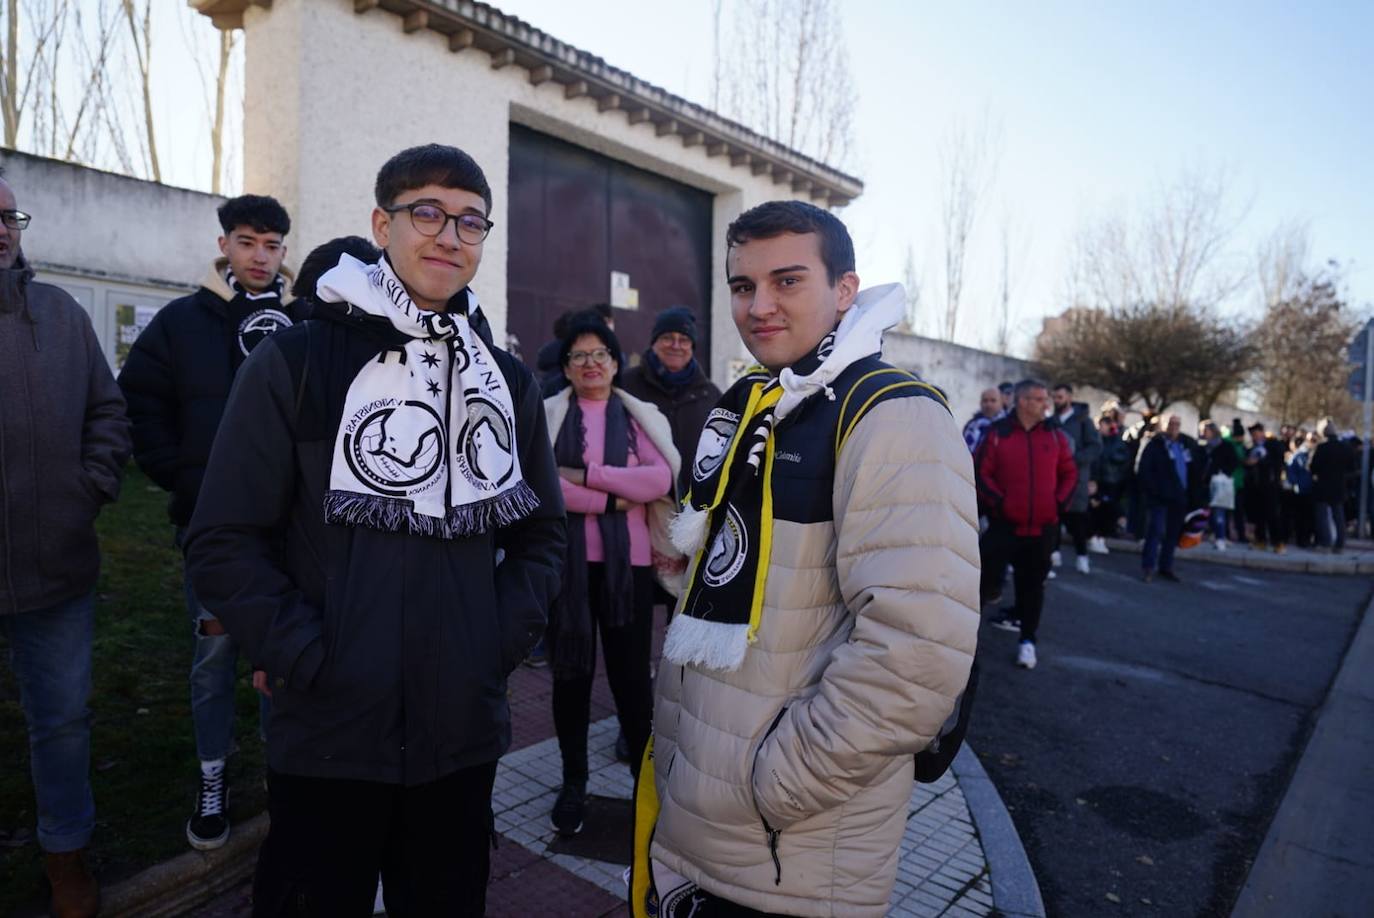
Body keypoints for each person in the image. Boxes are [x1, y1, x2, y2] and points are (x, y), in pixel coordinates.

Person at [184, 144, 566, 915]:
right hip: (329, 731)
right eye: (426, 212)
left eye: (470, 221)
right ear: (380, 224)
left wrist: (489, 645)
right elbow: (223, 537)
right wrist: (306, 654)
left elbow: (541, 538)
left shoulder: (507, 380)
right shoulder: (295, 363)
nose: (449, 235)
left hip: (459, 733)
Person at [635, 201, 978, 917]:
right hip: (701, 827)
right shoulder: (757, 403)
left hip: (787, 856)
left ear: (845, 290)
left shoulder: (895, 416)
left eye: (787, 281)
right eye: (741, 286)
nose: (759, 305)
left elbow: (916, 658)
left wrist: (770, 789)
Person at [118, 194, 300, 851]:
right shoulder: (180, 323)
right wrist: (186, 477)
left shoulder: (300, 321)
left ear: (285, 251)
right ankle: (213, 777)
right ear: (224, 244)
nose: (260, 256)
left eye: (272, 244)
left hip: (290, 533)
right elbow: (140, 401)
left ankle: (288, 775)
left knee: (282, 652)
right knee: (215, 653)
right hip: (210, 529)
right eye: (247, 241)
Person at [0, 169, 130, 917]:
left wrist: (89, 489)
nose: (2, 228)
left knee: (61, 722)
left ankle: (66, 855)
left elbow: (107, 413)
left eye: (10, 216)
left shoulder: (60, 314)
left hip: (57, 568)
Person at [543, 317, 678, 837]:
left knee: (630, 683)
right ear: (566, 369)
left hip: (631, 571)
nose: (591, 363)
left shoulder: (639, 415)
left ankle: (649, 785)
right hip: (568, 571)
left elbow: (660, 478)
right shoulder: (550, 416)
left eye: (601, 354)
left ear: (617, 363)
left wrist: (591, 476)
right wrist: (618, 499)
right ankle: (573, 782)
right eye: (579, 356)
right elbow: (548, 485)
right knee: (570, 678)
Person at [977, 380, 1077, 669]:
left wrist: (1057, 505)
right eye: (1039, 399)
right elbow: (982, 473)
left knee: (1033, 589)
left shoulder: (1055, 436)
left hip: (1042, 530)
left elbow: (1070, 473)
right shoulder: (998, 434)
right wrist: (1001, 503)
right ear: (1022, 401)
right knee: (982, 585)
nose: (1046, 405)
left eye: (1046, 399)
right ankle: (963, 641)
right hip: (1004, 527)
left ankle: (1028, 642)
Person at [619, 306, 722, 497]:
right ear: (654, 342)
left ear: (691, 347)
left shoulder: (710, 395)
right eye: (667, 338)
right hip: (641, 503)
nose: (675, 345)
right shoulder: (626, 386)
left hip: (695, 505)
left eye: (683, 340)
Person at [1048, 383, 1102, 573]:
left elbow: (1095, 447)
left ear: (1069, 398)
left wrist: (1072, 460)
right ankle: (1053, 553)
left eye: (1060, 397)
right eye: (1054, 397)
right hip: (1054, 479)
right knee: (1054, 518)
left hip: (1077, 479)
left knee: (1077, 520)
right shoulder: (1051, 420)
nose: (1056, 401)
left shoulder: (1083, 421)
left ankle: (1082, 556)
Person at [1137, 414, 1190, 582]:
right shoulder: (1154, 445)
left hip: (1179, 496)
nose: (1174, 427)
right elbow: (1143, 469)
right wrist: (1153, 490)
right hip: (1159, 497)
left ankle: (1166, 567)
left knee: (1172, 535)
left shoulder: (1184, 445)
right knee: (1155, 531)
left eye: (1177, 424)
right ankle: (1148, 567)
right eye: (1171, 424)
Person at [1089, 413, 1131, 550]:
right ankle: (1093, 536)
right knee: (1096, 509)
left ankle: (1101, 536)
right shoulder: (1095, 439)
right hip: (1098, 480)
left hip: (1111, 481)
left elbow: (1122, 457)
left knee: (1108, 510)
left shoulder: (1116, 440)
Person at [1311, 419, 1353, 552]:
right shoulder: (1344, 447)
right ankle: (1340, 544)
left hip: (1323, 486)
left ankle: (1326, 543)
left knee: (1322, 516)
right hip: (1339, 485)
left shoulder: (1322, 447)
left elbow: (1314, 467)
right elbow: (1351, 467)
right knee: (1339, 516)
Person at [1244, 422, 1284, 552]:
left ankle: (1278, 542)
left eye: (1256, 434)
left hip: (1270, 485)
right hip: (1256, 485)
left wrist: (1262, 460)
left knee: (1273, 515)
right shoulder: (1252, 448)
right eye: (1252, 435)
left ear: (1262, 432)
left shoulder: (1273, 445)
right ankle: (1260, 540)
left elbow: (1277, 462)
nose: (1254, 437)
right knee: (1259, 515)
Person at [1201, 421, 1238, 549]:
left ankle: (1220, 537)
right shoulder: (1205, 447)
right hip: (1207, 483)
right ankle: (1215, 534)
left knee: (1219, 512)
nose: (1203, 433)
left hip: (1220, 483)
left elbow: (1234, 462)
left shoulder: (1225, 445)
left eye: (1206, 430)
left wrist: (1223, 472)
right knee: (1210, 512)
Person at [963, 387, 1003, 454]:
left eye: (993, 400)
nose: (988, 404)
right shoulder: (972, 426)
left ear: (1001, 403)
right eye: (985, 401)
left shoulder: (1009, 425)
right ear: (980, 403)